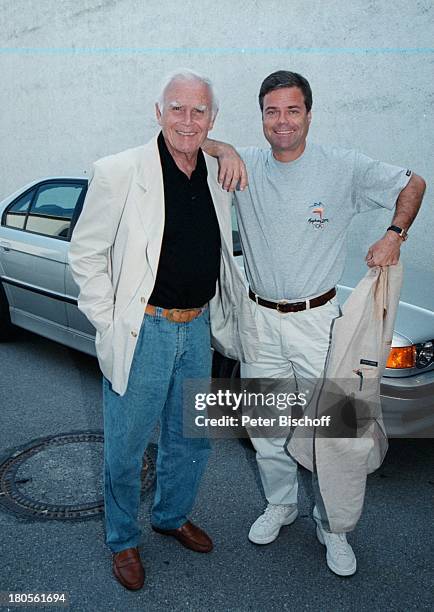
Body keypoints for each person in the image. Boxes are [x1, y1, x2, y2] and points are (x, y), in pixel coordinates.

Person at [203, 70, 426, 576]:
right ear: (261, 116)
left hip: (320, 321)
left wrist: (395, 233)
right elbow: (185, 141)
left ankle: (334, 525)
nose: (282, 121)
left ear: (309, 113)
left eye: (292, 110)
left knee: (336, 429)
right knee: (267, 427)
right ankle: (281, 504)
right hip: (259, 320)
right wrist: (224, 147)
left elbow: (413, 182)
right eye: (272, 111)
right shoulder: (248, 165)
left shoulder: (342, 166)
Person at [68, 69, 257, 591]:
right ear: (158, 112)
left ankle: (171, 517)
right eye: (177, 108)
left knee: (190, 439)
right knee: (126, 446)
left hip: (196, 328)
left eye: (199, 111)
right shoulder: (119, 170)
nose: (188, 120)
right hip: (143, 330)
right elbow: (85, 254)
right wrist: (108, 322)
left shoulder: (217, 170)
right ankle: (123, 539)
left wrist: (226, 148)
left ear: (212, 119)